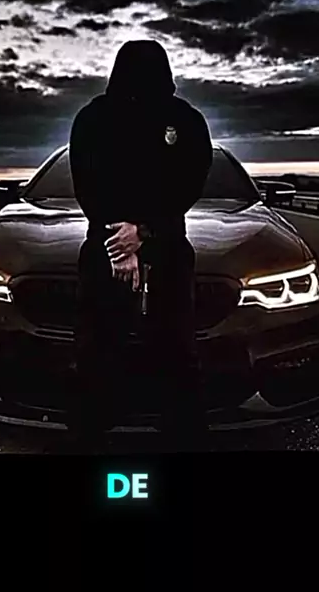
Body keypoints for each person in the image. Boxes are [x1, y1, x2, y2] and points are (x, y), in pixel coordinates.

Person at [69, 39, 213, 448]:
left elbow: (189, 183)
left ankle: (180, 433)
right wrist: (119, 242)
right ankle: (92, 434)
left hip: (167, 251)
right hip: (106, 251)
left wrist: (144, 231)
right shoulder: (92, 119)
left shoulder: (185, 121)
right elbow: (88, 183)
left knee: (177, 349)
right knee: (96, 349)